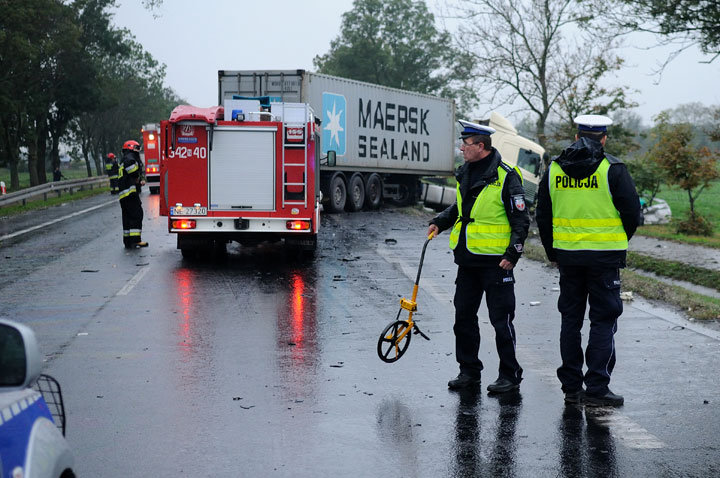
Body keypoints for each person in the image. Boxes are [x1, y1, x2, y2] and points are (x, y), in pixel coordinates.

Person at [535, 114, 641, 407]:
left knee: (570, 319)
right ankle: (597, 388)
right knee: (603, 320)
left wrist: (552, 252)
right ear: (604, 138)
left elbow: (543, 214)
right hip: (605, 259)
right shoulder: (613, 168)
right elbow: (632, 214)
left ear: (576, 135)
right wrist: (619, 240)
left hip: (568, 257)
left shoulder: (555, 168)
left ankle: (571, 388)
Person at [428, 120, 529, 394]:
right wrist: (440, 221)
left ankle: (509, 375)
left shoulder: (507, 176)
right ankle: (469, 371)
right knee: (463, 318)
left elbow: (520, 218)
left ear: (481, 147)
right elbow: (463, 207)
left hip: (497, 263)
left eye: (466, 144)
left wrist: (514, 253)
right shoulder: (466, 173)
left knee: (501, 322)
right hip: (468, 261)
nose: (461, 148)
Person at [118, 140, 148, 248]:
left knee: (127, 218)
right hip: (130, 193)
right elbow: (132, 170)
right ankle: (136, 240)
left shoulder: (124, 158)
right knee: (137, 214)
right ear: (131, 148)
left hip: (123, 194)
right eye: (136, 148)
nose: (138, 151)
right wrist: (138, 177)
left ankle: (128, 241)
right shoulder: (130, 157)